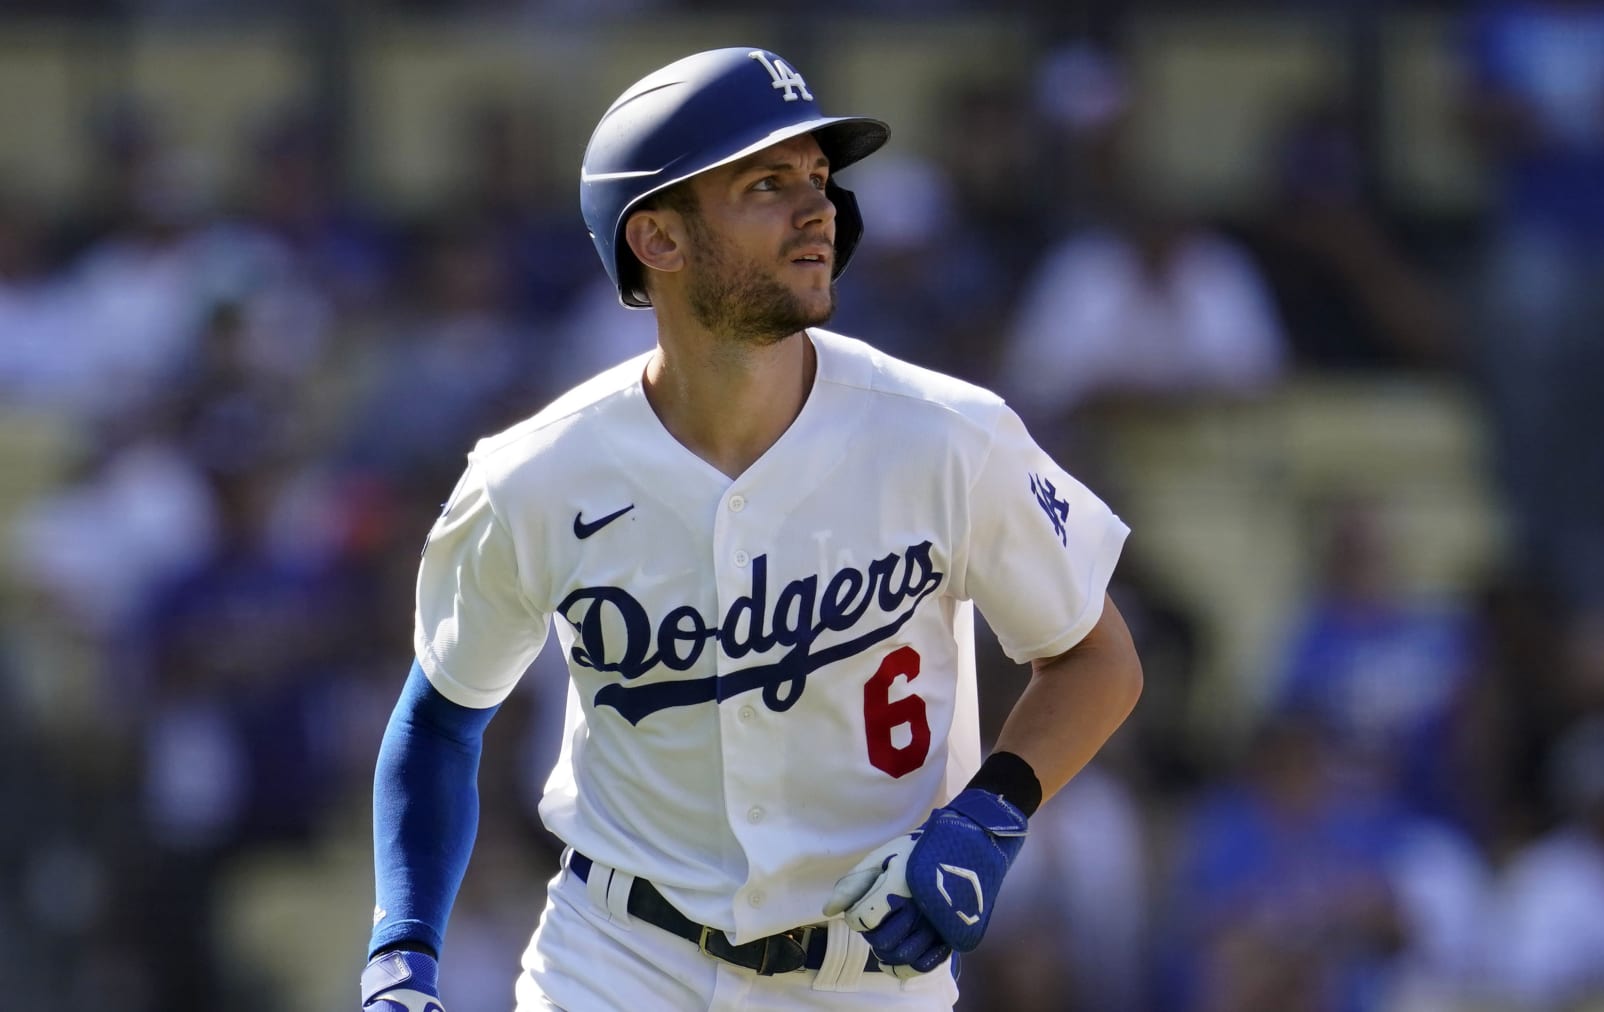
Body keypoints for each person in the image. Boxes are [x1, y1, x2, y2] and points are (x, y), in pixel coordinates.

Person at [357, 46, 1143, 1011]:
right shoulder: (535, 474)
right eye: (768, 184)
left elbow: (1096, 656)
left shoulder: (950, 436)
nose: (820, 209)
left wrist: (994, 810)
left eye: (819, 177)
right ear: (658, 238)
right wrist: (401, 951)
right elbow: (441, 717)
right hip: (617, 961)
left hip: (870, 975)